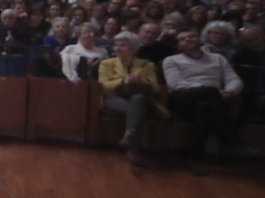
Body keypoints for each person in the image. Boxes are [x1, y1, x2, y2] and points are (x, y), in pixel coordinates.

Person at [162, 30, 246, 176]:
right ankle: (232, 141)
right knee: (210, 92)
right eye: (182, 39)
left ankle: (195, 158)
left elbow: (234, 79)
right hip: (183, 98)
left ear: (200, 40)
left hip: (213, 101)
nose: (188, 39)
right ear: (178, 46)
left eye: (191, 36)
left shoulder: (217, 58)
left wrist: (230, 91)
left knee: (204, 108)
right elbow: (176, 84)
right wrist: (207, 90)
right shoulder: (171, 60)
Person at [98, 32, 165, 167]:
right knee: (138, 109)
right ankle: (133, 146)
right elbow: (103, 85)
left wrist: (143, 80)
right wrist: (123, 81)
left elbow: (156, 89)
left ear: (133, 48)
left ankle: (129, 137)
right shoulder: (106, 63)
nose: (118, 48)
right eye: (116, 45)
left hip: (142, 99)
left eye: (123, 45)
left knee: (138, 100)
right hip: (115, 98)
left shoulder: (147, 65)